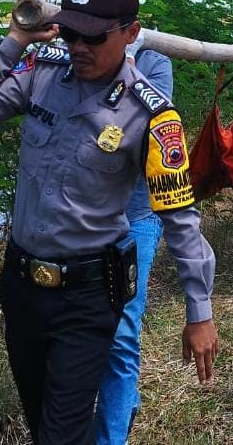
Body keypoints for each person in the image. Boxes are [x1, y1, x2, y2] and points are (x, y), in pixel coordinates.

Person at [0, 0, 218, 444]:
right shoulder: (43, 75)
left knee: (62, 432)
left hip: (88, 294)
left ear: (131, 34)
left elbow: (179, 217)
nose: (79, 47)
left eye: (93, 37)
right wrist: (14, 41)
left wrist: (198, 310)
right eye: (71, 32)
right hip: (22, 284)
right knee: (41, 423)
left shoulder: (152, 114)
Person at [94, 45, 172, 444]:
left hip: (136, 219)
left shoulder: (154, 62)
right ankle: (125, 401)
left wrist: (125, 69)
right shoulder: (77, 60)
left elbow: (150, 127)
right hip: (84, 222)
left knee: (122, 331)